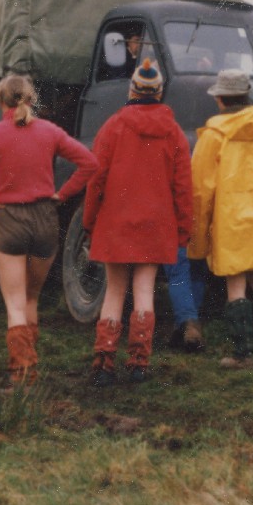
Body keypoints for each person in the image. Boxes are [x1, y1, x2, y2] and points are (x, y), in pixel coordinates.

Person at [0, 73, 97, 386]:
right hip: (46, 218)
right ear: (31, 100)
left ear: (0, 101)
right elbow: (89, 163)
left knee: (15, 303)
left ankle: (23, 374)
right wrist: (64, 194)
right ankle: (30, 364)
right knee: (32, 298)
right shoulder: (50, 131)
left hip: (11, 221)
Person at [80, 60, 191, 386]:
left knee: (114, 291)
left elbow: (95, 179)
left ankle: (103, 363)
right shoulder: (174, 134)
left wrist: (89, 222)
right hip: (156, 227)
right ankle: (139, 363)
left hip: (116, 224)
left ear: (131, 90)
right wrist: (183, 230)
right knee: (144, 291)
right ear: (159, 93)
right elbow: (184, 188)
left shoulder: (112, 127)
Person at [188, 70, 253, 369]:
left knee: (235, 284)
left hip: (230, 221)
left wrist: (197, 234)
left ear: (219, 99)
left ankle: (242, 354)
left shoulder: (213, 135)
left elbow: (201, 190)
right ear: (247, 95)